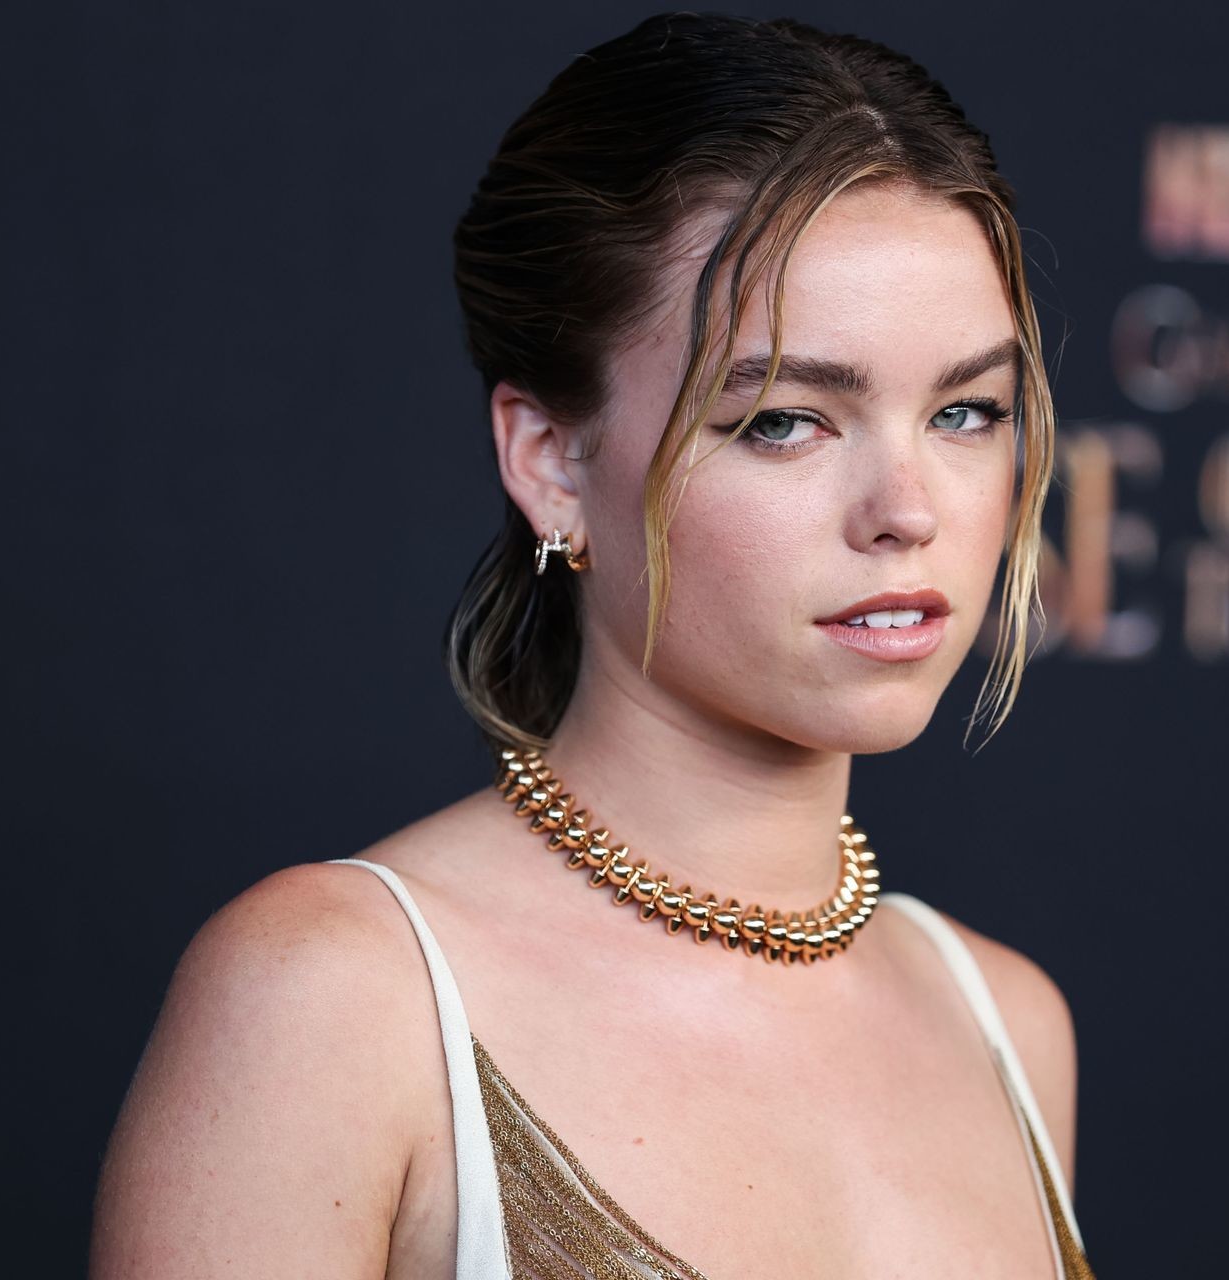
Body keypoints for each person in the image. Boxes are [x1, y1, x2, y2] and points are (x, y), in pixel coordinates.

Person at [90, 12, 1095, 1278]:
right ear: (553, 462)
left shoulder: (1005, 1018)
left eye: (967, 409)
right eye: (784, 420)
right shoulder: (331, 995)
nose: (908, 509)